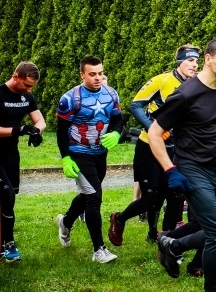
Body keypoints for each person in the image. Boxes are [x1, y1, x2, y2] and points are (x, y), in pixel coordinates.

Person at [147, 39, 216, 292]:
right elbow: (154, 133)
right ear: (209, 60)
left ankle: (172, 245)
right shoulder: (185, 95)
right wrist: (170, 170)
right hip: (191, 166)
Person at [108, 44, 200, 246]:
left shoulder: (196, 85)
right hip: (148, 147)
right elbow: (135, 105)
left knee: (176, 195)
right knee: (151, 198)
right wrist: (154, 128)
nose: (195, 65)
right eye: (190, 60)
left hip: (177, 148)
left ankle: (165, 240)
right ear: (179, 62)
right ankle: (119, 219)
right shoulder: (162, 80)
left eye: (196, 61)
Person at [54, 56, 124, 263]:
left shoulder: (111, 93)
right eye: (92, 74)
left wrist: (116, 133)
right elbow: (61, 131)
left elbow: (118, 120)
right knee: (94, 197)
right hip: (79, 153)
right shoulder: (70, 98)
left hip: (100, 154)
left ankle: (65, 222)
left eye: (100, 73)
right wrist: (66, 158)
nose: (98, 78)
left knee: (87, 196)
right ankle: (99, 250)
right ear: (82, 74)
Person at [0, 62, 46, 261]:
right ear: (15, 76)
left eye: (31, 87)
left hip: (11, 155)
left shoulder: (26, 96)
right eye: (26, 85)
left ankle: (3, 244)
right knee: (7, 195)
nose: (29, 90)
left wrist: (37, 131)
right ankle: (9, 244)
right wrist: (18, 130)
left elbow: (40, 120)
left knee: (7, 201)